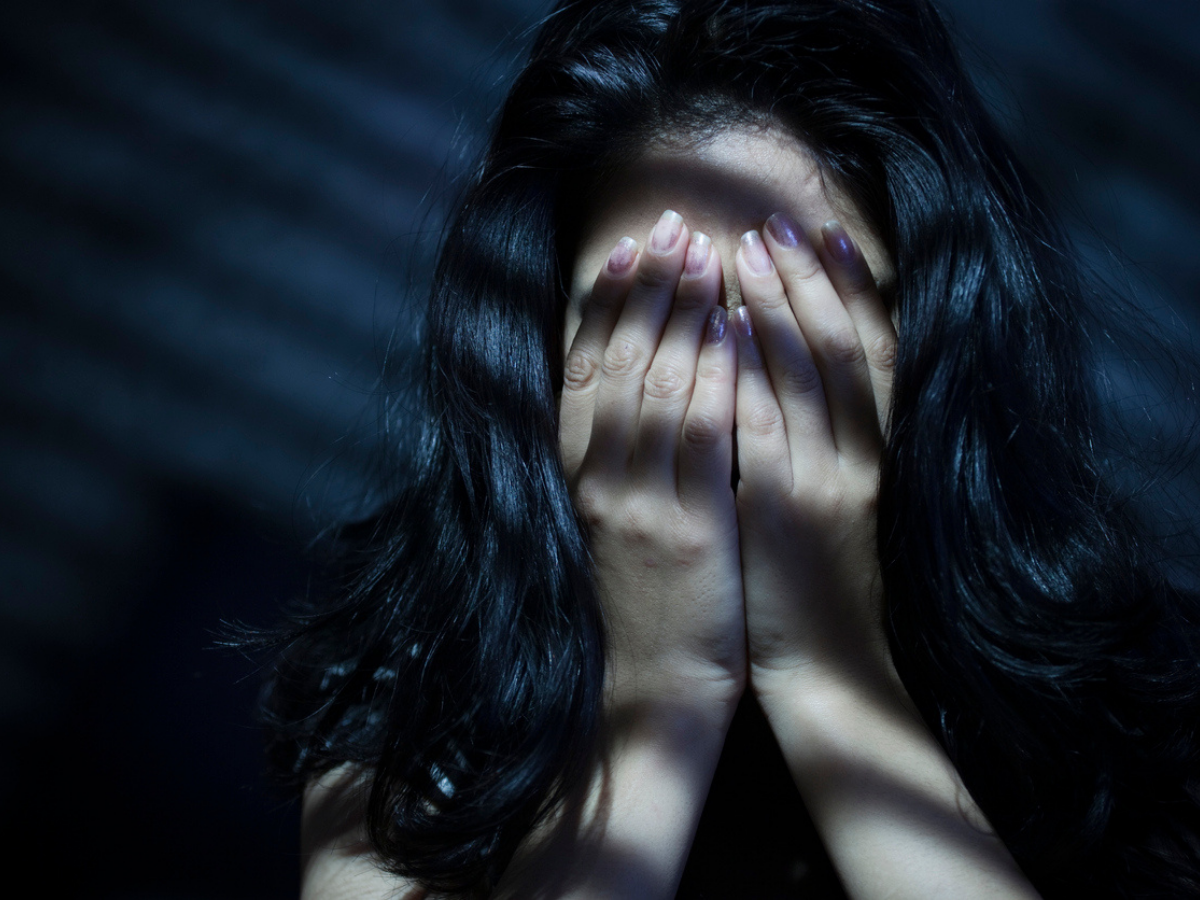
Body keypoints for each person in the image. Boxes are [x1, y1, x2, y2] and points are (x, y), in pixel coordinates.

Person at [255, 1, 1200, 897]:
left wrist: (831, 671)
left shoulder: (1135, 700)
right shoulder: (409, 683)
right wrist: (660, 695)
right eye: (649, 325)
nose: (712, 408)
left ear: (927, 343)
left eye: (803, 325)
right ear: (543, 358)